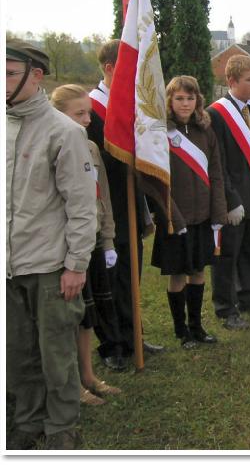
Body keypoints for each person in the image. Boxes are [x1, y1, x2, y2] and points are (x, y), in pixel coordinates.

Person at [6, 41, 96, 450]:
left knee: (56, 353)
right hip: (10, 266)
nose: (2, 81)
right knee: (18, 354)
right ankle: (26, 422)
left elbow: (81, 205)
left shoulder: (65, 132)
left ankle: (62, 428)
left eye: (9, 73)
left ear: (35, 75)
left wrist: (76, 264)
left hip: (50, 266)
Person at [87, 40, 162, 370]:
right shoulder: (91, 109)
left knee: (131, 275)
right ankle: (112, 344)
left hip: (132, 202)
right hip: (106, 206)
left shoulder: (134, 105)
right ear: (108, 68)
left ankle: (133, 335)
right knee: (108, 278)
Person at [50, 85, 123, 407]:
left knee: (87, 315)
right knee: (69, 315)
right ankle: (70, 386)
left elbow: (101, 196)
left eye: (88, 113)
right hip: (62, 245)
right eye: (78, 114)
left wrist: (106, 238)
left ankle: (88, 375)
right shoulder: (52, 145)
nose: (87, 119)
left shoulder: (91, 148)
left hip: (91, 237)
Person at [151, 76, 228, 348]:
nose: (185, 103)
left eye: (190, 98)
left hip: (203, 217)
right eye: (179, 98)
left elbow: (216, 174)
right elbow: (156, 180)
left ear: (198, 100)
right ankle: (181, 330)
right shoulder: (160, 133)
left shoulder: (205, 130)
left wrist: (218, 214)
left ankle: (196, 325)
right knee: (178, 274)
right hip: (176, 220)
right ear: (170, 101)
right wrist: (173, 216)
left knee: (198, 271)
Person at [207, 55, 250, 329]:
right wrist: (231, 199)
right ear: (231, 81)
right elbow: (217, 163)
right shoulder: (216, 114)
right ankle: (226, 307)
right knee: (227, 255)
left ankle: (249, 296)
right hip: (231, 199)